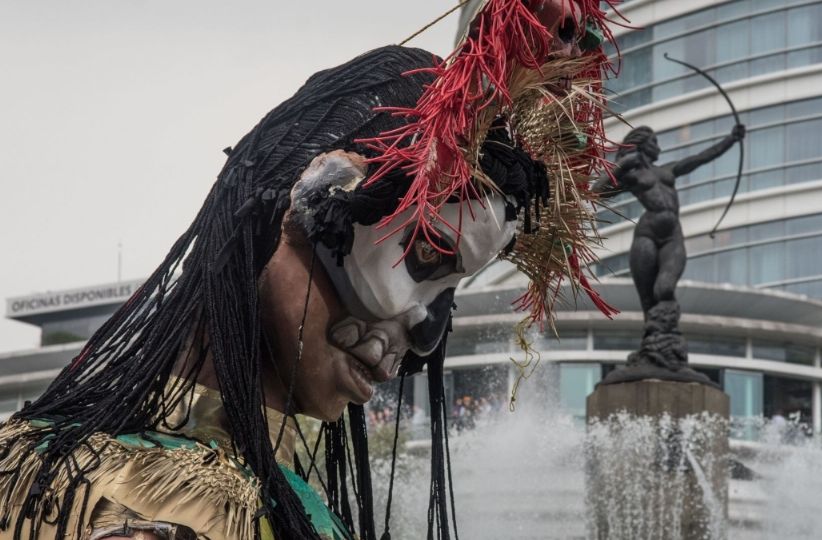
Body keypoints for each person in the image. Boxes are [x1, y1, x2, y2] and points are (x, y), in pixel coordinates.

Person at [0, 2, 619, 539]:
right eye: (426, 253)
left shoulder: (299, 511)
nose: (424, 334)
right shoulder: (68, 486)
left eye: (449, 294)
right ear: (299, 198)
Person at [593, 124, 745, 372]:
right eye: (654, 141)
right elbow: (597, 191)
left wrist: (730, 139)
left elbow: (699, 158)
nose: (659, 147)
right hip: (647, 235)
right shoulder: (631, 175)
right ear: (643, 145)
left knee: (664, 289)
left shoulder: (667, 170)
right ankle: (650, 349)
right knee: (647, 300)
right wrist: (625, 162)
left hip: (672, 235)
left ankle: (665, 342)